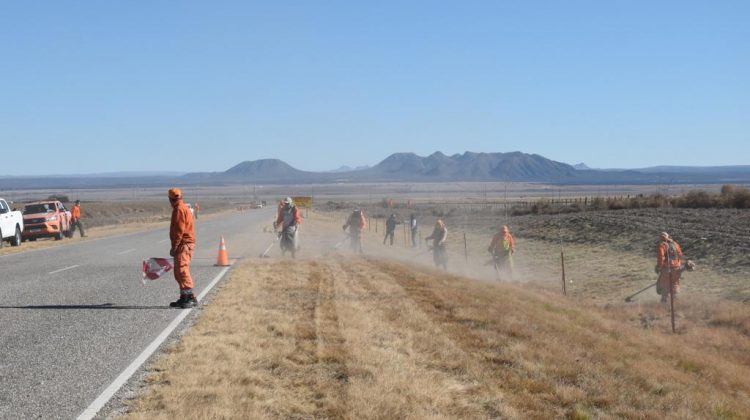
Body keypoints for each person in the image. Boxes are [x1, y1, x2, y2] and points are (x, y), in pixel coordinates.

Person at [168, 188, 197, 308]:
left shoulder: (179, 209)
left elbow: (179, 231)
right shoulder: (182, 207)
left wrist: (174, 247)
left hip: (183, 244)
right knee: (178, 272)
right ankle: (184, 297)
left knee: (182, 270)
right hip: (183, 244)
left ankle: (191, 298)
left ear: (170, 199)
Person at [656, 232, 683, 303]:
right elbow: (680, 255)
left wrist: (659, 267)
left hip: (667, 269)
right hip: (677, 268)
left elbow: (661, 258)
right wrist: (678, 264)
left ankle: (664, 303)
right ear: (668, 237)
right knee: (675, 284)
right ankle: (676, 302)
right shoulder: (675, 244)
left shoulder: (662, 245)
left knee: (665, 285)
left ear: (660, 238)